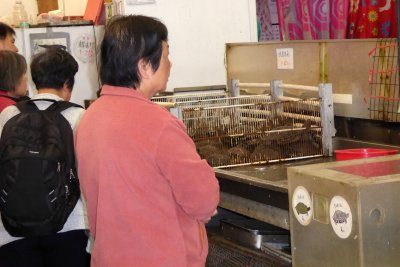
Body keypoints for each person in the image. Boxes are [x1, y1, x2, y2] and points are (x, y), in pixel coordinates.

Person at [75, 15, 220, 267]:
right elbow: (203, 200)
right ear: (144, 66)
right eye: (166, 55)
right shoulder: (159, 124)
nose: (170, 64)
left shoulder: (89, 118)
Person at [0, 48, 90, 267]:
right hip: (69, 226)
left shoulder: (8, 115)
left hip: (13, 229)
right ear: (68, 82)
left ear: (34, 80)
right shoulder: (80, 117)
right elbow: (89, 175)